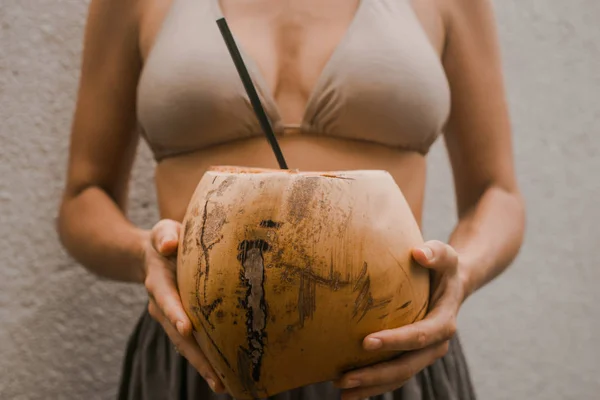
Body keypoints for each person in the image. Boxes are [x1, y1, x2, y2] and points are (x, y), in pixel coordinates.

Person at [56, 0, 526, 398]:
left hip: (389, 358)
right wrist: (145, 255)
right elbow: (84, 197)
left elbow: (497, 193)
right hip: (205, 360)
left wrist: (461, 273)